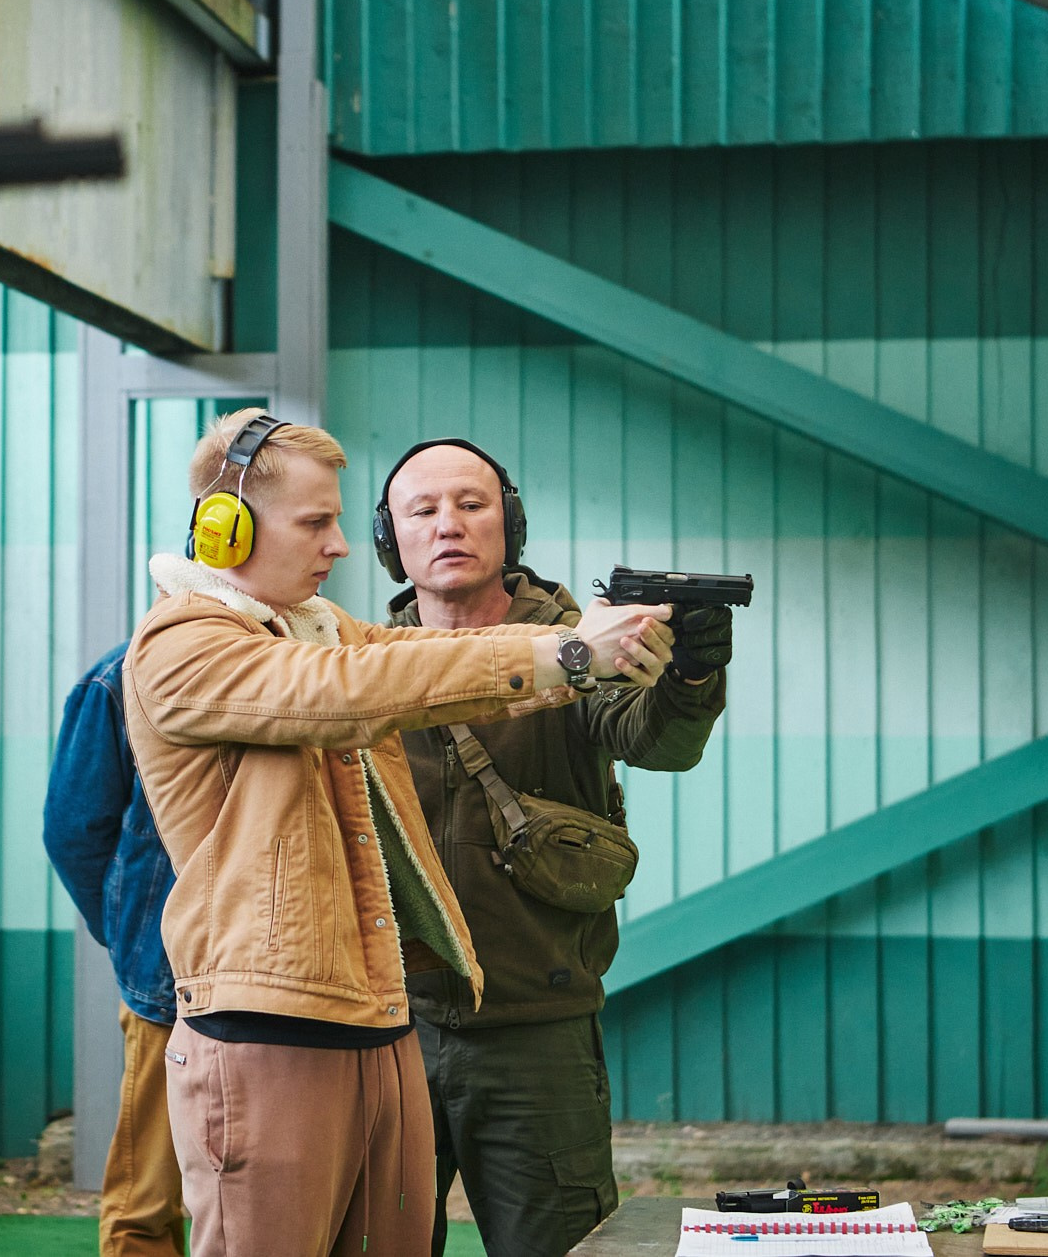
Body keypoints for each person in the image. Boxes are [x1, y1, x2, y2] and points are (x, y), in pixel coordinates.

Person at [122, 408, 674, 1257]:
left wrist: (605, 640)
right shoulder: (184, 644)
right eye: (315, 522)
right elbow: (353, 686)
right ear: (226, 530)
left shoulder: (320, 628)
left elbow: (429, 662)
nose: (340, 544)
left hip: (371, 1018)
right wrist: (568, 652)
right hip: (267, 1030)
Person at [377, 438, 731, 1257]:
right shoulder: (362, 662)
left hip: (537, 1031)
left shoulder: (580, 642)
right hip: (390, 1028)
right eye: (421, 510)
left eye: (472, 503)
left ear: (512, 522)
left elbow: (655, 738)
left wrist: (690, 680)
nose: (448, 525)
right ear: (391, 537)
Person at [43, 645, 186, 1257]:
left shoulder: (307, 656)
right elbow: (73, 830)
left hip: (279, 982)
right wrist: (135, 930)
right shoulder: (119, 678)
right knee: (147, 1204)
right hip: (167, 988)